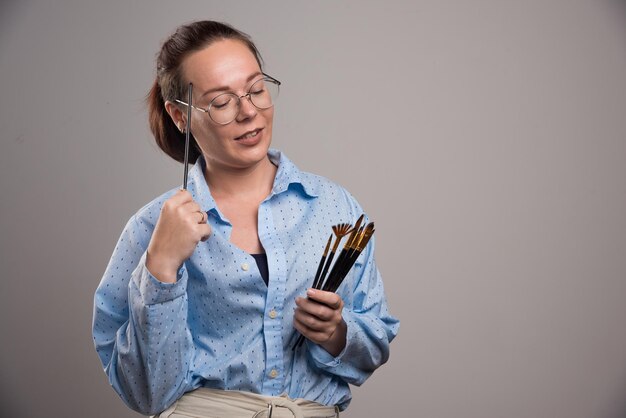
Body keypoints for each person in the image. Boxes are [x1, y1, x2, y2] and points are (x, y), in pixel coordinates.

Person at [92, 20, 399, 417]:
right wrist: (161, 267)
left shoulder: (335, 208)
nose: (248, 112)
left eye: (256, 90)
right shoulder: (149, 229)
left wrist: (337, 334)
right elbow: (146, 393)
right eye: (221, 102)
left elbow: (375, 344)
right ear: (180, 115)